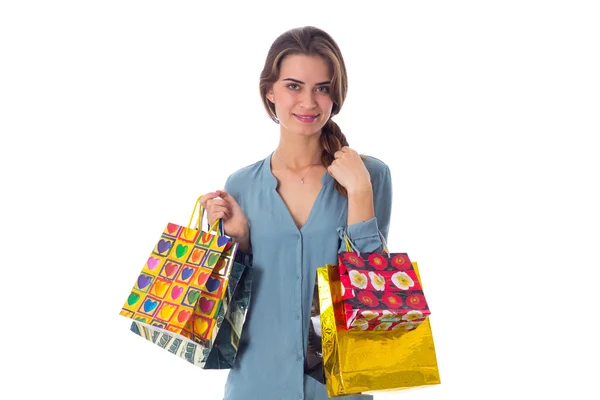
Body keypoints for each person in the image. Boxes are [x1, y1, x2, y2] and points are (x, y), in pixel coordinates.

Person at [201, 26, 392, 400]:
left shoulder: (370, 176)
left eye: (322, 88)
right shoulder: (240, 185)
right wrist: (237, 244)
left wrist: (359, 192)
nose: (308, 101)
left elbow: (374, 295)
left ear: (335, 96)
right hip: (256, 384)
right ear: (269, 91)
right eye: (294, 86)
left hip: (338, 390)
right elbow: (228, 312)